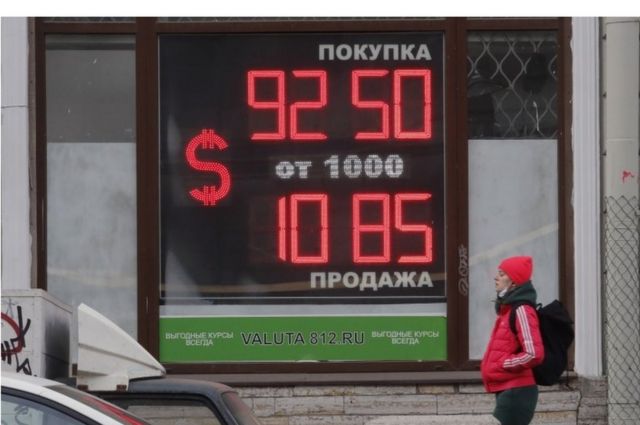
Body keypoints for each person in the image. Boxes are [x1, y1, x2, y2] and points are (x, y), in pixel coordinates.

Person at [481, 255, 544, 425]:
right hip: (509, 388)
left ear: (514, 282)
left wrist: (503, 364)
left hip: (517, 391)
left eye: (502, 274)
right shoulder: (508, 310)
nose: (496, 277)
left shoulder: (522, 309)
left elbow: (534, 353)